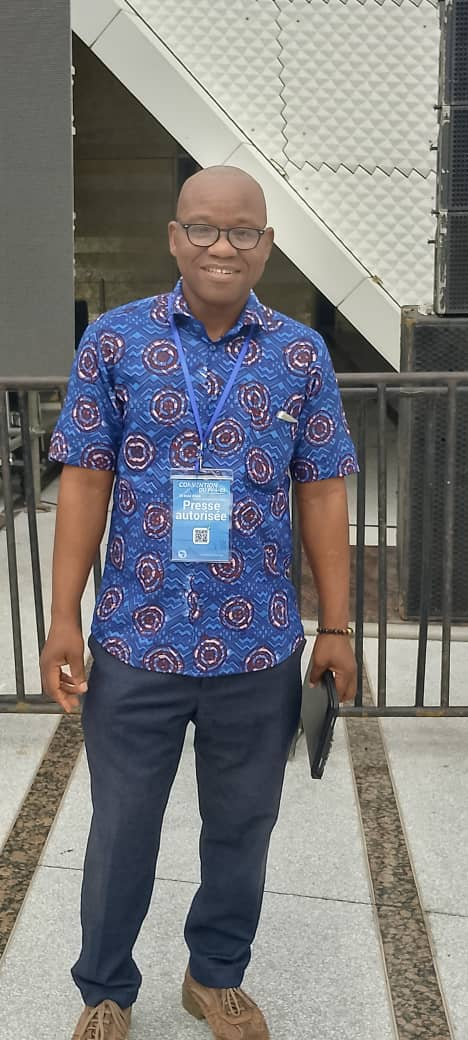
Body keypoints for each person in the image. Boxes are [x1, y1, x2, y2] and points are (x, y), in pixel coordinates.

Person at [40, 165, 358, 1040]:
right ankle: (106, 989)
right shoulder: (114, 342)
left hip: (258, 649)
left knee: (243, 828)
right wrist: (63, 616)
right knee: (121, 829)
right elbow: (85, 481)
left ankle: (215, 975)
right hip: (135, 644)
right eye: (205, 229)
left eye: (243, 230)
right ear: (175, 238)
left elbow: (323, 488)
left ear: (267, 245)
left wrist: (335, 627)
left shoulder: (301, 354)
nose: (224, 246)